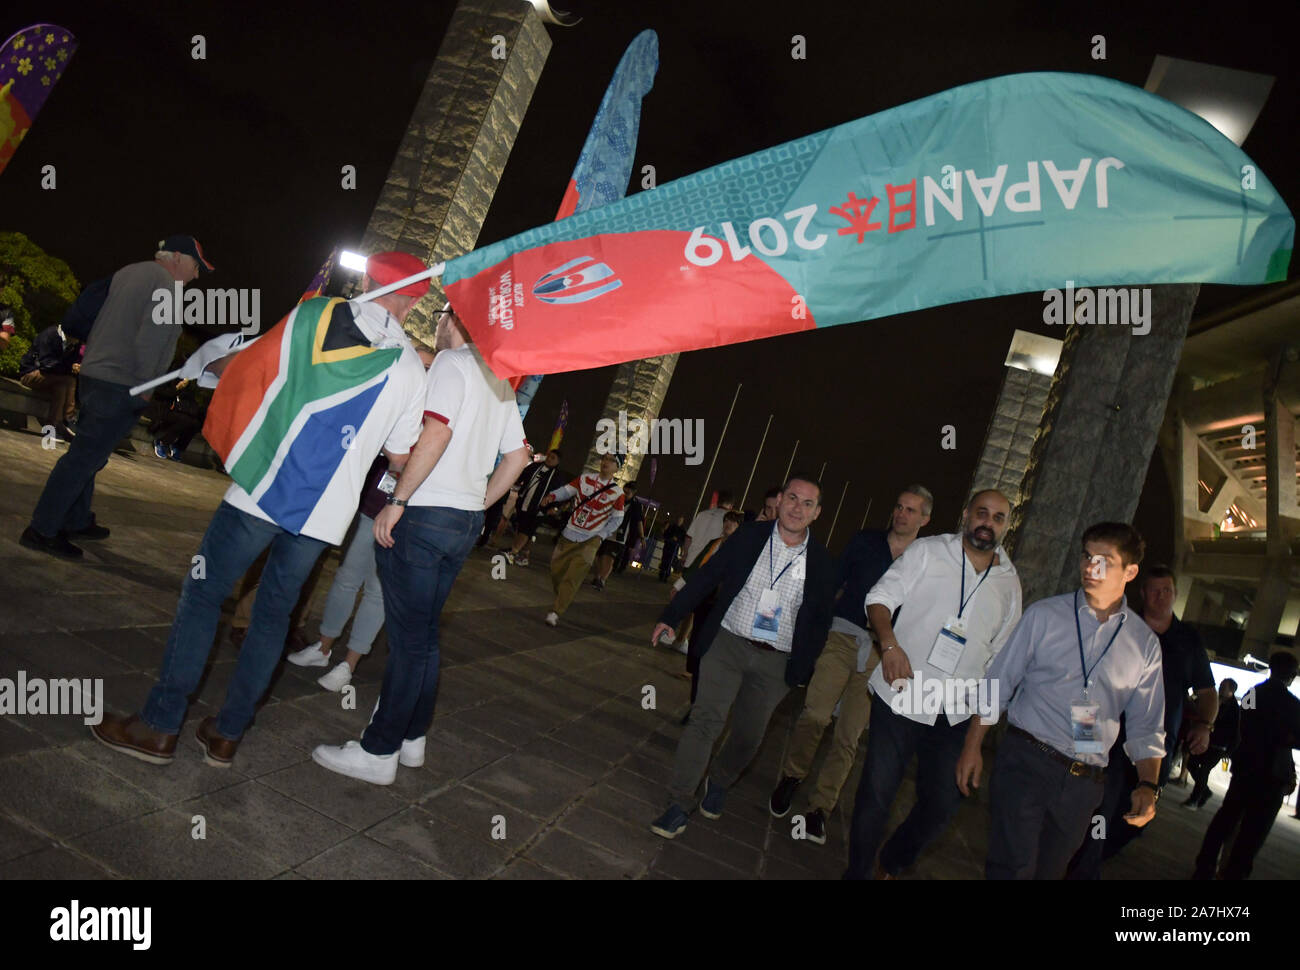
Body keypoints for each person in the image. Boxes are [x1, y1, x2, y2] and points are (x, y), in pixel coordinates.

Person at [90, 251, 429, 769]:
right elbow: (400, 456)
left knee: (204, 594)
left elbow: (255, 367)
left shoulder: (316, 314)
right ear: (418, 299)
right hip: (323, 513)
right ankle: (227, 734)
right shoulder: (410, 370)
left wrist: (209, 368)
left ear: (367, 277)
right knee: (272, 617)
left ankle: (159, 725)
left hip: (261, 488)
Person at [312, 307, 530, 784]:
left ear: (455, 319)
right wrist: (478, 503)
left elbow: (438, 430)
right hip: (462, 521)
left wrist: (398, 500)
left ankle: (378, 751)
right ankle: (412, 737)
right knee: (425, 636)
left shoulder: (453, 363)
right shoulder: (497, 378)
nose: (436, 322)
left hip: (426, 515)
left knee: (409, 643)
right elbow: (518, 456)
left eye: (440, 314)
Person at [957, 522, 1165, 880]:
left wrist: (1148, 785)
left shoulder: (1143, 644)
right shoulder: (1045, 616)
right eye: (1086, 556)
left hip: (1084, 783)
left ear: (1130, 572)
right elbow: (999, 682)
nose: (1090, 567)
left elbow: (1146, 725)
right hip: (1027, 761)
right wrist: (972, 745)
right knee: (1013, 868)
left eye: (1104, 560)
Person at [843, 489, 1021, 878]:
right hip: (903, 693)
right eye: (982, 513)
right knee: (876, 795)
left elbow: (1001, 667)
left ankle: (892, 861)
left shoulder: (1009, 583)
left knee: (943, 804)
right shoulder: (928, 551)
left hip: (955, 712)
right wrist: (889, 645)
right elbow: (879, 598)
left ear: (1006, 526)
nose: (987, 523)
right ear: (966, 514)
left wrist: (976, 742)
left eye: (998, 518)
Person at [647, 476, 834, 840]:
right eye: (792, 498)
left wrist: (803, 668)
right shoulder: (749, 536)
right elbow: (709, 576)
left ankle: (720, 780)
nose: (797, 508)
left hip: (775, 661)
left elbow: (819, 621)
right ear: (779, 501)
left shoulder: (823, 562)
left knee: (749, 736)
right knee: (705, 721)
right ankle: (678, 802)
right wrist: (671, 615)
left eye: (807, 503)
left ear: (817, 513)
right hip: (728, 643)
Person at [21, 236, 213, 559]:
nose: (196, 275)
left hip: (97, 373)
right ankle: (42, 529)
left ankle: (77, 519)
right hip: (121, 382)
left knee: (89, 453)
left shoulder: (129, 272)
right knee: (83, 458)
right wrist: (146, 387)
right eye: (196, 266)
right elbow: (151, 341)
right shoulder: (166, 286)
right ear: (178, 257)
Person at [770, 485, 933, 846]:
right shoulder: (865, 541)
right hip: (843, 636)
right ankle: (792, 775)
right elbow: (833, 583)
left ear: (925, 519)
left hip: (882, 654)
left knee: (849, 734)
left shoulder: (926, 561)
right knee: (816, 714)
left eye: (911, 510)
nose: (901, 514)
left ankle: (820, 808)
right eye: (899, 506)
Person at [287, 342, 437, 691]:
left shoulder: (438, 418)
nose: (421, 373)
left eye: (429, 368)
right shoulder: (395, 401)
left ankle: (349, 664)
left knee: (378, 591)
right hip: (371, 506)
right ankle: (323, 647)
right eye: (418, 365)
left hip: (404, 517)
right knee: (346, 578)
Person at [1065, 563, 1216, 877]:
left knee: (1134, 817)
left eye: (1167, 591)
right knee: (1099, 808)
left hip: (1155, 746)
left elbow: (1206, 690)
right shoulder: (1122, 627)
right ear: (1143, 593)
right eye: (1155, 591)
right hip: (1110, 739)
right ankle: (1082, 866)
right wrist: (1084, 735)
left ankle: (1086, 857)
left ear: (1175, 594)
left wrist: (1205, 726)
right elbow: (1087, 681)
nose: (1161, 597)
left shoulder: (1188, 640)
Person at [1193, 652, 1300, 879]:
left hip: (1246, 767)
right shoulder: (1293, 704)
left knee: (1225, 820)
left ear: (1271, 669)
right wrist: (1284, 738)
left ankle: (1205, 866)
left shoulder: (1252, 694)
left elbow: (1246, 725)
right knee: (1253, 833)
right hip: (1273, 775)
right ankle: (1235, 873)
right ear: (1291, 676)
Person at [540, 454, 625, 627]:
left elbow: (617, 519)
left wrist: (601, 535)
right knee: (556, 570)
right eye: (605, 458)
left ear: (617, 468)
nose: (606, 462)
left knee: (573, 577)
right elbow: (566, 491)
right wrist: (552, 496)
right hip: (569, 533)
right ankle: (563, 596)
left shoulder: (617, 493)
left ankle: (556, 611)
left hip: (591, 539)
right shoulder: (585, 479)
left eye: (612, 461)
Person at [674, 509, 745, 715]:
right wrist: (679, 585)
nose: (728, 525)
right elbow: (698, 566)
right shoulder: (714, 543)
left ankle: (700, 702)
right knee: (697, 644)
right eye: (726, 521)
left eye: (733, 522)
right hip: (705, 600)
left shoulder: (742, 549)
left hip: (723, 606)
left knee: (710, 653)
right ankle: (695, 700)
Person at [18, 322, 82, 440]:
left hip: (54, 379)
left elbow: (69, 363)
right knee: (68, 380)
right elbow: (46, 364)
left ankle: (52, 428)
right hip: (31, 374)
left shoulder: (74, 343)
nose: (79, 341)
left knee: (61, 387)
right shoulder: (50, 335)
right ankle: (68, 419)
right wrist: (69, 368)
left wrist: (75, 366)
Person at [1184, 678, 1240, 809]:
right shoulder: (1215, 701)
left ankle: (1194, 799)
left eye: (1224, 687)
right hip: (1207, 741)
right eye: (1221, 685)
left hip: (1219, 746)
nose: (1220, 688)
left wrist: (1229, 751)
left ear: (1231, 691)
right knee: (1191, 764)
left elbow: (1236, 732)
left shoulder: (1234, 709)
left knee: (1204, 771)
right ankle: (1205, 791)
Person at [505, 448, 564, 566]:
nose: (549, 459)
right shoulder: (535, 467)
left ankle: (513, 552)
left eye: (553, 458)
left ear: (558, 461)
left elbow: (560, 494)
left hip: (539, 509)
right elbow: (521, 476)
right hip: (524, 503)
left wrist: (555, 508)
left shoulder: (557, 476)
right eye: (549, 456)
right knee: (523, 529)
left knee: (526, 530)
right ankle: (523, 555)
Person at [593, 482, 640, 588]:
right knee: (598, 556)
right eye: (624, 491)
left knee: (609, 558)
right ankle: (597, 577)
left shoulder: (635, 506)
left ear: (633, 493)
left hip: (619, 537)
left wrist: (636, 540)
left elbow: (637, 523)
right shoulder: (615, 499)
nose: (625, 494)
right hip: (605, 532)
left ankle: (602, 580)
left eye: (628, 493)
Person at [150, 378, 210, 461]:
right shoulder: (171, 377)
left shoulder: (190, 383)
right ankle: (161, 442)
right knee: (185, 420)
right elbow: (161, 393)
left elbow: (189, 401)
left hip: (179, 411)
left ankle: (177, 446)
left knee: (195, 424)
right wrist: (177, 388)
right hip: (162, 408)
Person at [658, 515, 686, 582]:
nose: (679, 521)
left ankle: (666, 576)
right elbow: (666, 535)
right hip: (668, 546)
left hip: (674, 548)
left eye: (680, 520)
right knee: (664, 560)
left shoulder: (683, 530)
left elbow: (683, 541)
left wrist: (677, 540)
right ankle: (662, 574)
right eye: (678, 520)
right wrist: (670, 538)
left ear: (682, 521)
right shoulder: (672, 527)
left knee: (670, 562)